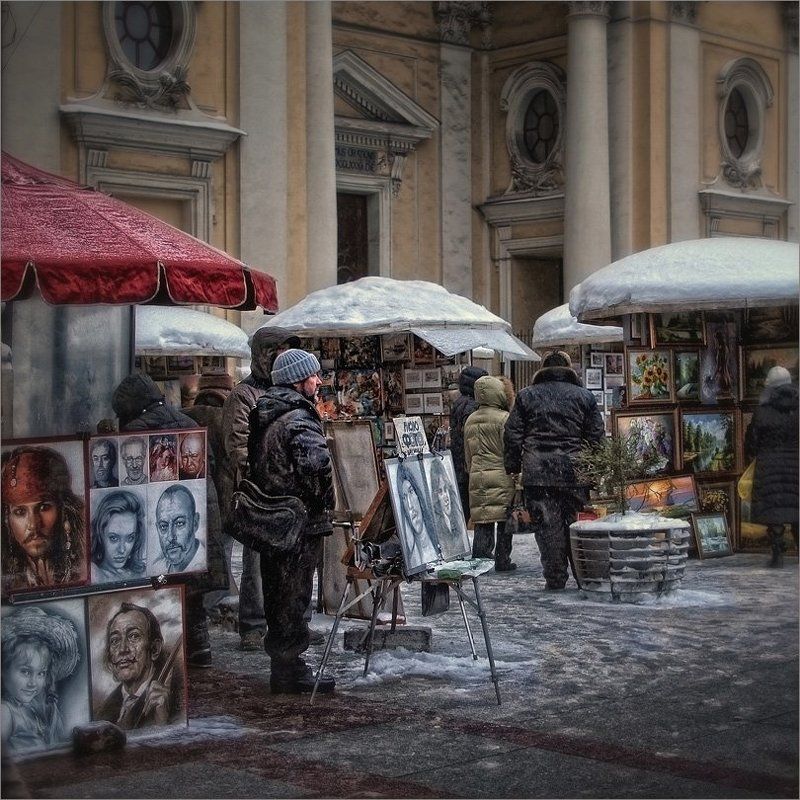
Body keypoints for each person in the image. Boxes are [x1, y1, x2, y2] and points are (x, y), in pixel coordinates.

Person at [112, 372, 228, 667]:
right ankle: (199, 646)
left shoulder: (134, 431)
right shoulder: (187, 422)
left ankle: (168, 654)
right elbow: (210, 465)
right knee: (190, 584)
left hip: (162, 518)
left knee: (160, 581)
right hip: (195, 517)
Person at [248, 348, 335, 693]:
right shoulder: (297, 417)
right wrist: (324, 500)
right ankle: (290, 669)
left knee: (278, 593)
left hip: (276, 519)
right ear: (299, 380)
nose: (318, 381)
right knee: (294, 595)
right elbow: (316, 466)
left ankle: (284, 665)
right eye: (313, 375)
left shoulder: (268, 411)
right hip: (298, 521)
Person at [221, 327, 301, 651]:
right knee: (254, 561)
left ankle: (287, 620)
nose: (282, 357)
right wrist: (261, 475)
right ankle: (253, 624)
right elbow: (237, 442)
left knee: (287, 561)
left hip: (286, 490)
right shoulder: (244, 395)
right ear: (264, 355)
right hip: (257, 491)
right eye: (277, 351)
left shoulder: (288, 391)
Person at [504, 351, 604, 590]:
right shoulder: (585, 397)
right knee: (576, 524)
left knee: (547, 526)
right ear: (569, 369)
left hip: (538, 472)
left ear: (542, 368)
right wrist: (595, 468)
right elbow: (596, 437)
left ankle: (555, 576)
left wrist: (513, 466)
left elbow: (512, 434)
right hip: (574, 471)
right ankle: (583, 575)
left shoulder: (527, 396)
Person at [1, 446, 87, 592]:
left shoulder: (84, 567)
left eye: (44, 508)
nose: (33, 525)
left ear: (63, 510)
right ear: (7, 519)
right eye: (20, 512)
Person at [1, 606, 80, 754]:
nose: (33, 683)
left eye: (41, 673)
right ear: (3, 670)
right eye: (25, 671)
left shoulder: (33, 709)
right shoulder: (5, 711)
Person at [744, 365, 799, 568]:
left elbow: (752, 441)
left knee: (774, 509)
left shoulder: (762, 411)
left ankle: (777, 554)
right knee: (796, 507)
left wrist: (754, 453)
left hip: (770, 466)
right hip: (796, 465)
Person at [95, 602, 181, 730]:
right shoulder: (103, 714)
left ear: (155, 649)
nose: (122, 649)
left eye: (133, 636)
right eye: (115, 640)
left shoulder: (173, 698)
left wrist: (162, 723)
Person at [464, 375, 518, 571]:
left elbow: (468, 453)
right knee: (505, 520)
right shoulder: (503, 418)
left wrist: (472, 470)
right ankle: (503, 559)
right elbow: (509, 449)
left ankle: (481, 558)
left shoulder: (470, 420)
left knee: (483, 519)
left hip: (477, 475)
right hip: (501, 474)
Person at [449, 366, 488, 524]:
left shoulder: (459, 403)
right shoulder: (473, 406)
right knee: (475, 511)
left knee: (463, 508)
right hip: (469, 466)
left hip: (459, 464)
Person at [91, 490, 147, 583]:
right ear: (100, 534)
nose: (122, 550)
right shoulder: (95, 574)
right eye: (114, 538)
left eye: (130, 538)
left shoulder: (139, 572)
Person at [395, 457, 441, 569]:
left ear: (418, 494)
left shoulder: (437, 541)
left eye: (411, 492)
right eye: (404, 498)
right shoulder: (413, 555)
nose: (410, 506)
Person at [152, 484, 205, 574]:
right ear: (157, 528)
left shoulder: (206, 563)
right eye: (163, 526)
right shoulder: (156, 568)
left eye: (179, 523)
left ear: (195, 523)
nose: (170, 537)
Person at [428, 456, 469, 561]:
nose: (446, 497)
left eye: (446, 489)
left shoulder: (457, 517)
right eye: (440, 492)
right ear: (435, 496)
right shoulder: (437, 524)